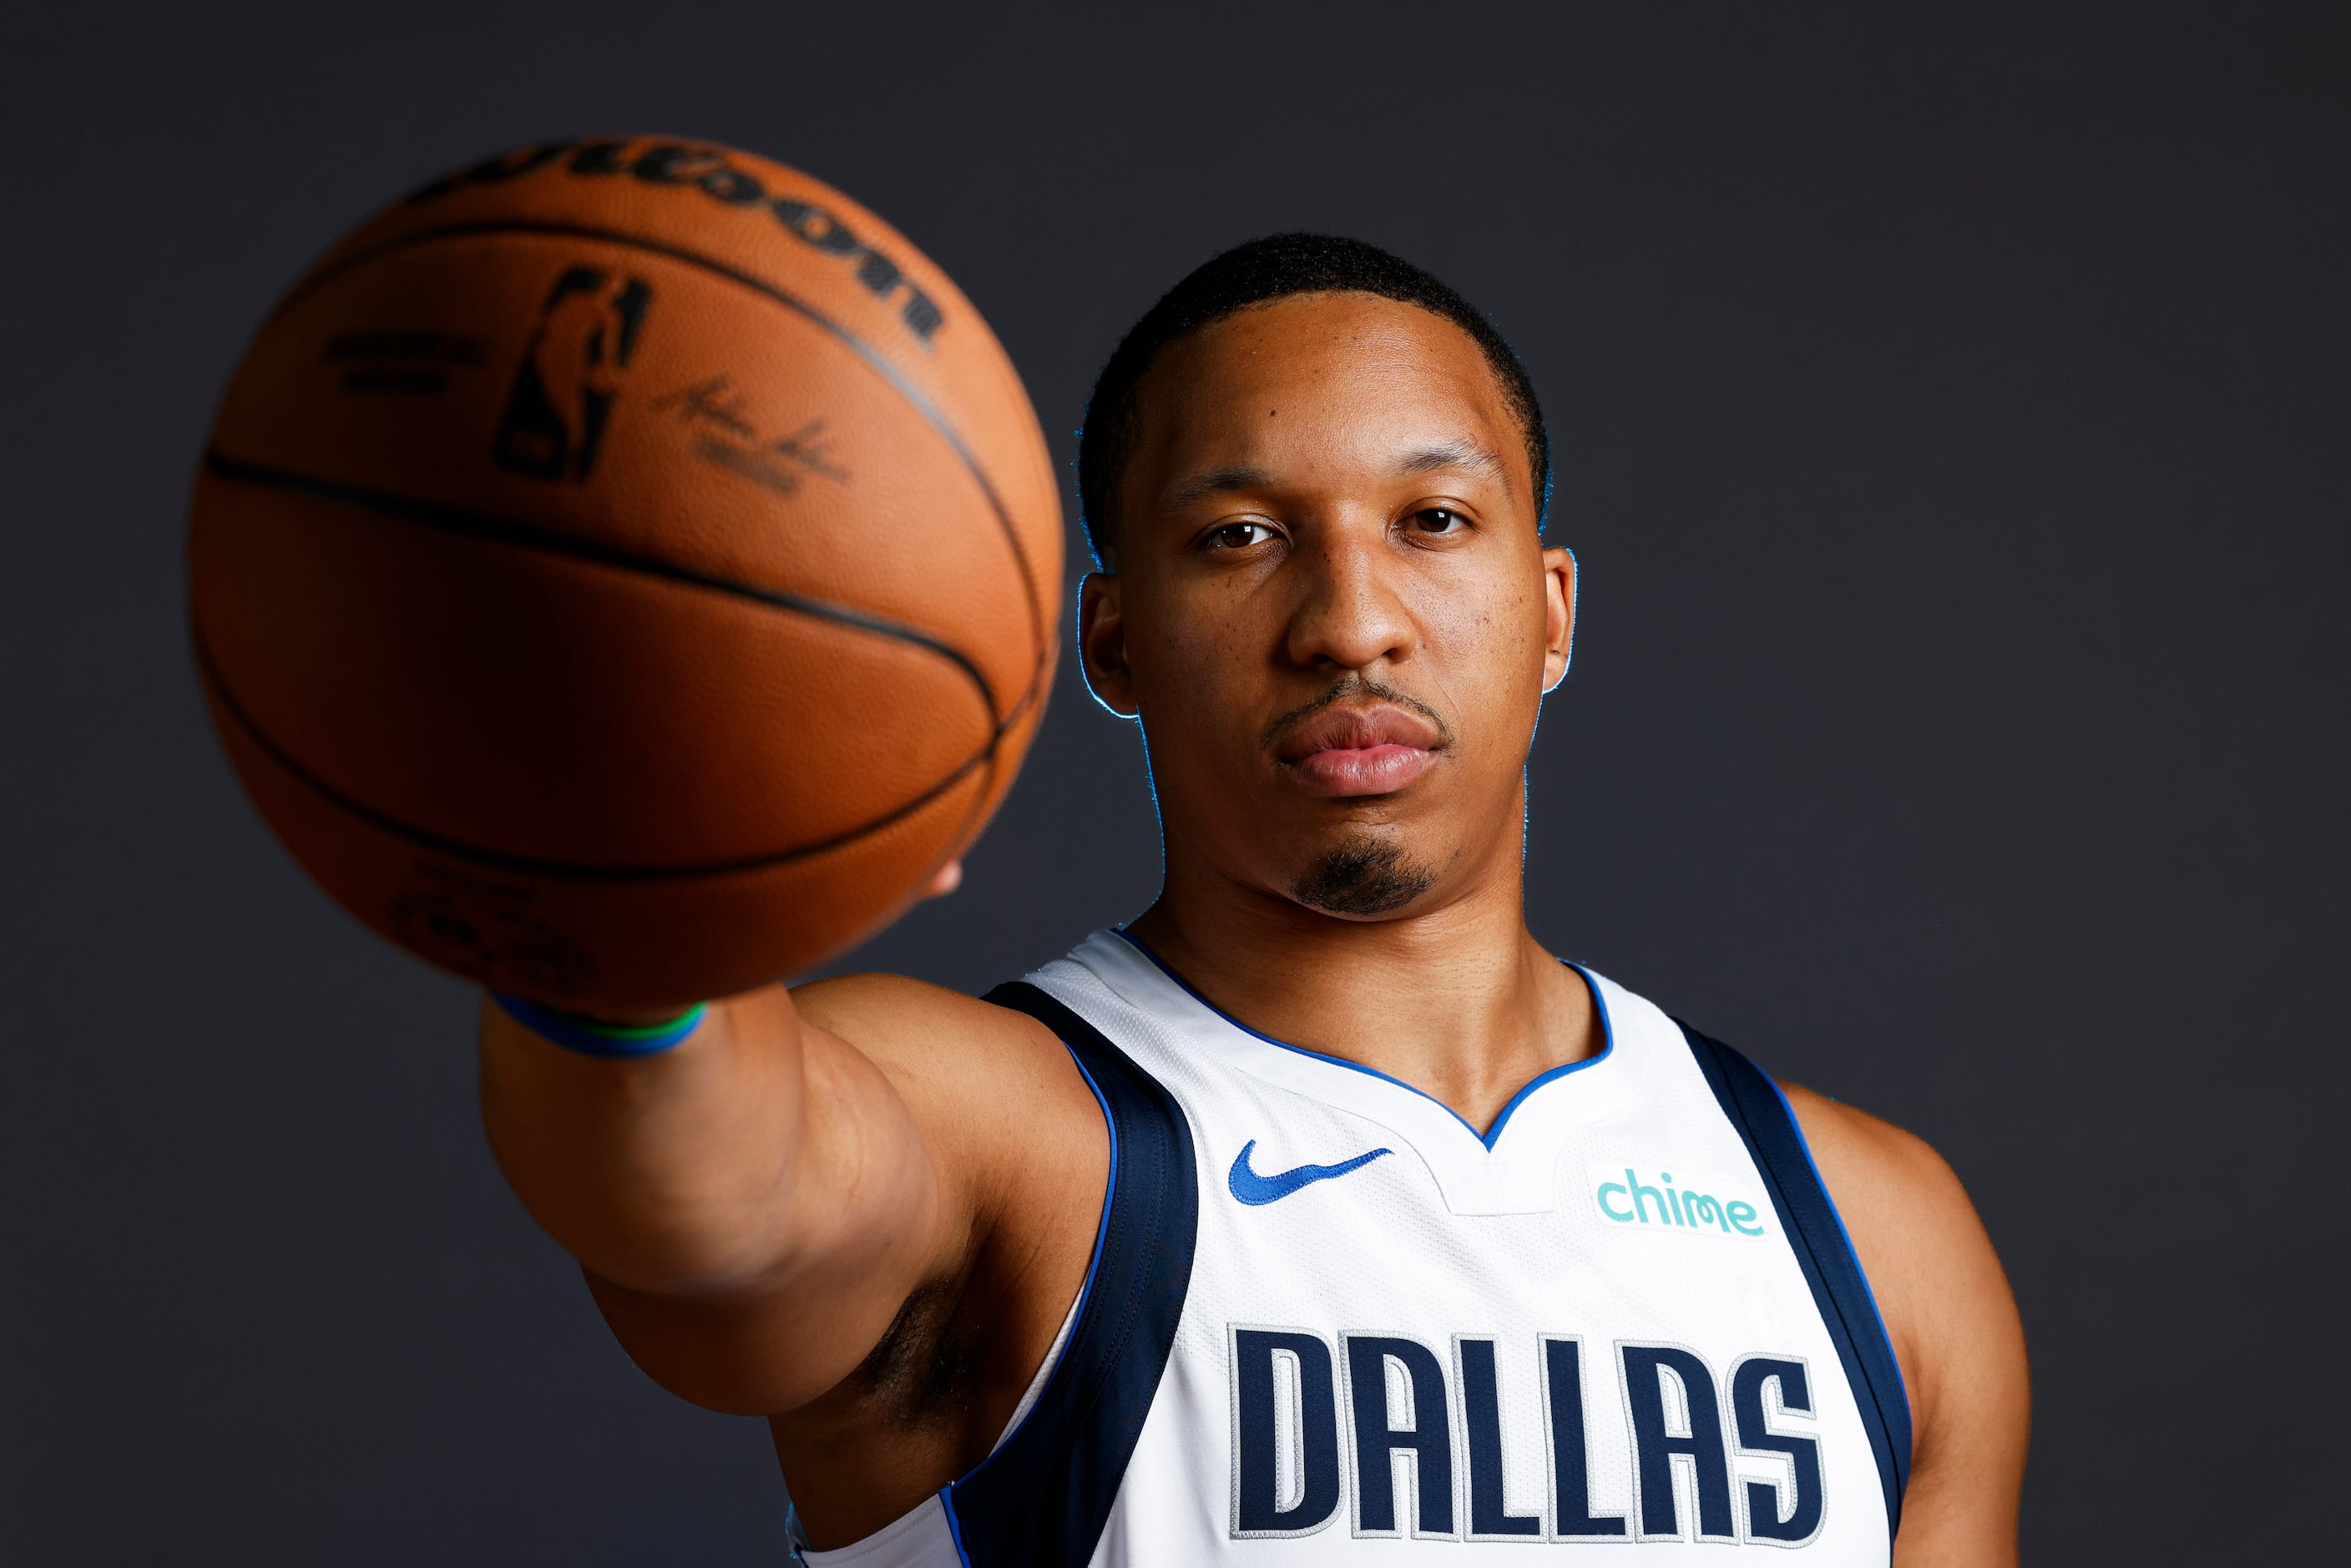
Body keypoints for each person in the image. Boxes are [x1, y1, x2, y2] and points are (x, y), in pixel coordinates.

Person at [479, 234, 2029, 1565]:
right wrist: (631, 881)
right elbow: (700, 1202)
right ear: (1115, 643)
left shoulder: (1868, 1232)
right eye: (1241, 539)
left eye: (1433, 521)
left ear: (1549, 613)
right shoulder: (1014, 1142)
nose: (1351, 622)